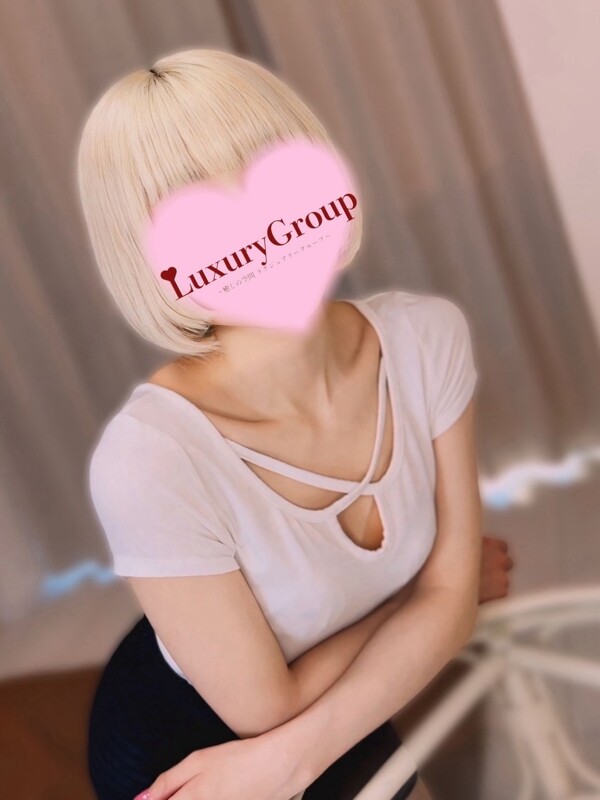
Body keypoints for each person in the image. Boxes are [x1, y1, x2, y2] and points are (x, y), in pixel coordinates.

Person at [78, 48, 513, 800]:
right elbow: (266, 709)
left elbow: (454, 597)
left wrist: (293, 758)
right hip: (190, 745)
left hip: (321, 714)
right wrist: (430, 596)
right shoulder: (148, 460)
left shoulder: (425, 337)